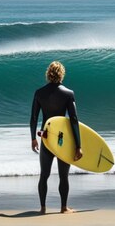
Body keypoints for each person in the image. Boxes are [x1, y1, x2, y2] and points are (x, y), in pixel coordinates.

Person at [30, 61, 83, 215]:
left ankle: (43, 208)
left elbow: (33, 118)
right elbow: (73, 120)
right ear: (62, 74)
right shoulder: (68, 93)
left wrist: (33, 138)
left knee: (44, 175)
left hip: (46, 138)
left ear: (48, 74)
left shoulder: (39, 93)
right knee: (63, 176)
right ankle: (63, 207)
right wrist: (78, 145)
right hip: (63, 140)